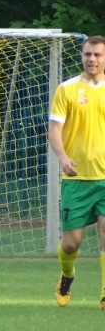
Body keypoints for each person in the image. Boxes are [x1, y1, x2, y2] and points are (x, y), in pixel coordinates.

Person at [49, 35, 105, 310]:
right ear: (82, 56)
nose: (92, 59)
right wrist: (62, 156)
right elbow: (54, 129)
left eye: (98, 55)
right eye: (88, 54)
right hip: (76, 180)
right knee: (71, 244)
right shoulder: (67, 89)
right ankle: (67, 274)